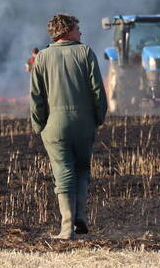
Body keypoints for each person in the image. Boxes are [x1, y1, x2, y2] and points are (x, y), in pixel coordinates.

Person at [29, 14, 107, 239]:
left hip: (55, 126)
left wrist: (39, 126)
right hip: (84, 124)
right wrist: (97, 118)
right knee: (82, 170)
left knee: (63, 172)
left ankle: (66, 227)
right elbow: (98, 91)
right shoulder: (85, 52)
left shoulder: (42, 58)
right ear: (65, 31)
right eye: (77, 28)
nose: (80, 33)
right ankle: (80, 215)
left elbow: (36, 98)